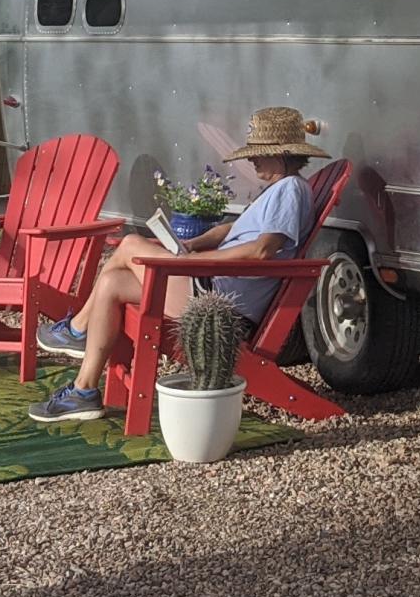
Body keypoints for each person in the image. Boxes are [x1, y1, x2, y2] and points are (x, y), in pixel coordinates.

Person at [27, 106, 329, 424]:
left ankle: (77, 329)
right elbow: (233, 230)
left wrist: (195, 261)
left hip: (220, 302)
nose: (251, 160)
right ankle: (83, 391)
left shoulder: (291, 190)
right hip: (210, 285)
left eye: (259, 154)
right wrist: (192, 245)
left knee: (130, 244)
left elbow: (261, 251)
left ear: (282, 153)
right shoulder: (277, 190)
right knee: (111, 283)